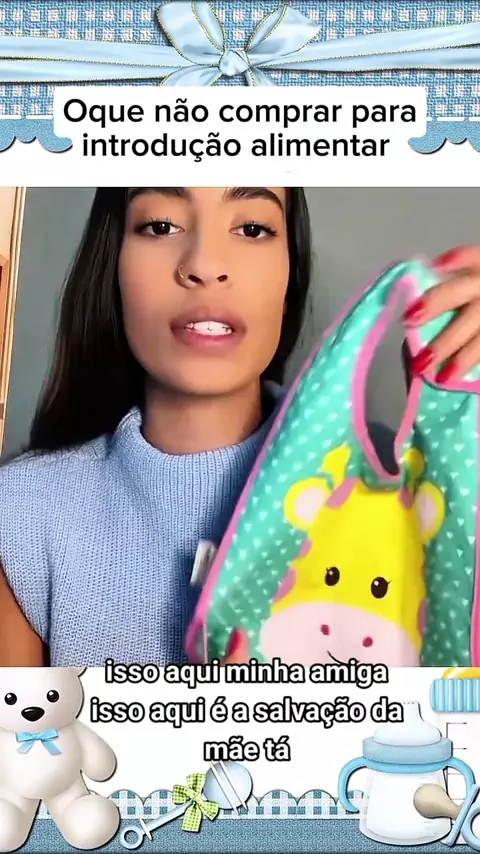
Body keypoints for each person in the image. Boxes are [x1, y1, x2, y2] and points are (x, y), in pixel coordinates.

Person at [0, 187, 478, 666]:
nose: (205, 265)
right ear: (113, 266)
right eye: (161, 226)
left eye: (252, 228)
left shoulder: (419, 492)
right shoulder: (22, 513)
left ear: (290, 277)